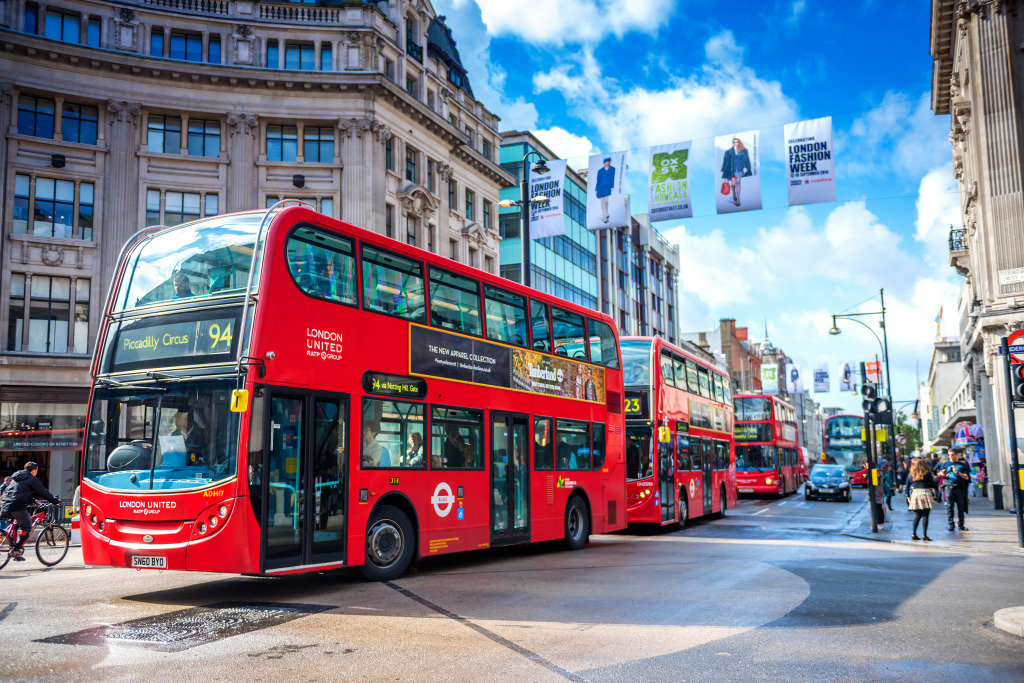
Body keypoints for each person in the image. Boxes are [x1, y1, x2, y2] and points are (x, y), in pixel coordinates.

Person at [1, 461, 60, 561]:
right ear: (33, 470)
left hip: (5, 505)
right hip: (17, 506)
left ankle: (15, 547)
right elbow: (43, 491)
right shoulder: (31, 479)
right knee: (27, 527)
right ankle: (15, 549)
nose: (37, 472)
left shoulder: (16, 478)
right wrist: (54, 501)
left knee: (17, 524)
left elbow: (18, 492)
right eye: (37, 470)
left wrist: (32, 501)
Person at [943, 448, 972, 532]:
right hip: (949, 487)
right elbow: (939, 474)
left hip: (960, 488)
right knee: (950, 507)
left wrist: (957, 472)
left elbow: (966, 477)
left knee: (961, 507)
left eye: (952, 455)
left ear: (957, 455)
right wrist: (941, 474)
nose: (950, 457)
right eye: (949, 455)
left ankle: (961, 525)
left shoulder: (963, 465)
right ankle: (951, 524)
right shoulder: (945, 464)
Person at [907, 458, 935, 541]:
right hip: (926, 493)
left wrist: (908, 497)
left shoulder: (910, 475)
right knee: (925, 515)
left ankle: (914, 534)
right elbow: (933, 485)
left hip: (915, 494)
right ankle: (924, 535)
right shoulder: (927, 474)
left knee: (917, 515)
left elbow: (907, 487)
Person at [720, 137, 752, 207]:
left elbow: (745, 159)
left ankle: (738, 199)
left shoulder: (743, 150)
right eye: (734, 142)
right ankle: (733, 193)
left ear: (739, 142)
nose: (735, 143)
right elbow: (726, 162)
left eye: (736, 142)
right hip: (732, 169)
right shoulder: (729, 151)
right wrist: (725, 172)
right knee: (733, 184)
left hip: (739, 169)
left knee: (738, 182)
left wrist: (745, 167)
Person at [595, 157, 616, 223]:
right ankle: (604, 218)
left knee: (606, 201)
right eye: (606, 162)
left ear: (609, 162)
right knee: (602, 202)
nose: (607, 163)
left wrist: (612, 186)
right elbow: (598, 180)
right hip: (600, 187)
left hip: (607, 187)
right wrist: (596, 189)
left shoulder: (612, 169)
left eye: (608, 162)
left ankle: (606, 212)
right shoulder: (600, 171)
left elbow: (612, 178)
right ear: (604, 163)